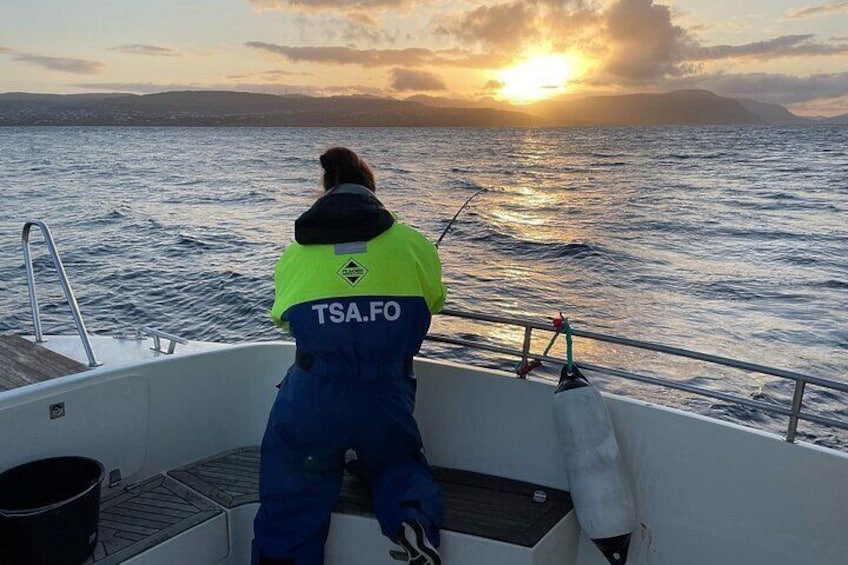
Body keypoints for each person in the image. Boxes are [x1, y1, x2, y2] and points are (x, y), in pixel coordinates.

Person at [252, 147, 446, 565]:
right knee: (396, 459)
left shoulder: (296, 254)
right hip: (385, 395)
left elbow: (283, 319)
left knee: (293, 493)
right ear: (372, 191)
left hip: (315, 397)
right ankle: (413, 523)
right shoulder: (415, 245)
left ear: (326, 190)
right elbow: (435, 300)